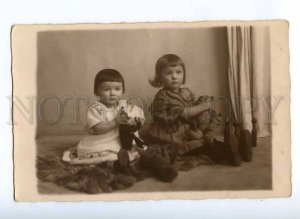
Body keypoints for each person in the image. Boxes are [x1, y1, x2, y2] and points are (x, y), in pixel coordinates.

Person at [148, 54, 241, 165]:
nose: (174, 77)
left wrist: (202, 118)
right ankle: (231, 155)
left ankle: (239, 149)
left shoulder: (186, 92)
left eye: (178, 72)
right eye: (169, 73)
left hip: (189, 131)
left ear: (183, 74)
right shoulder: (161, 97)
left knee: (210, 142)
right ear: (160, 77)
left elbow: (194, 110)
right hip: (172, 136)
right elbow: (181, 114)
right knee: (203, 149)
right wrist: (203, 106)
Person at [62, 69, 145, 165]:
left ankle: (119, 157)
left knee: (135, 149)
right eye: (106, 89)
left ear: (123, 90)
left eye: (117, 89)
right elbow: (97, 129)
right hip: (102, 141)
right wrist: (115, 122)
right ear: (97, 92)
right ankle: (113, 161)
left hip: (122, 140)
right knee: (105, 154)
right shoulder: (96, 109)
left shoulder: (124, 105)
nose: (112, 93)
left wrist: (137, 122)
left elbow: (139, 114)